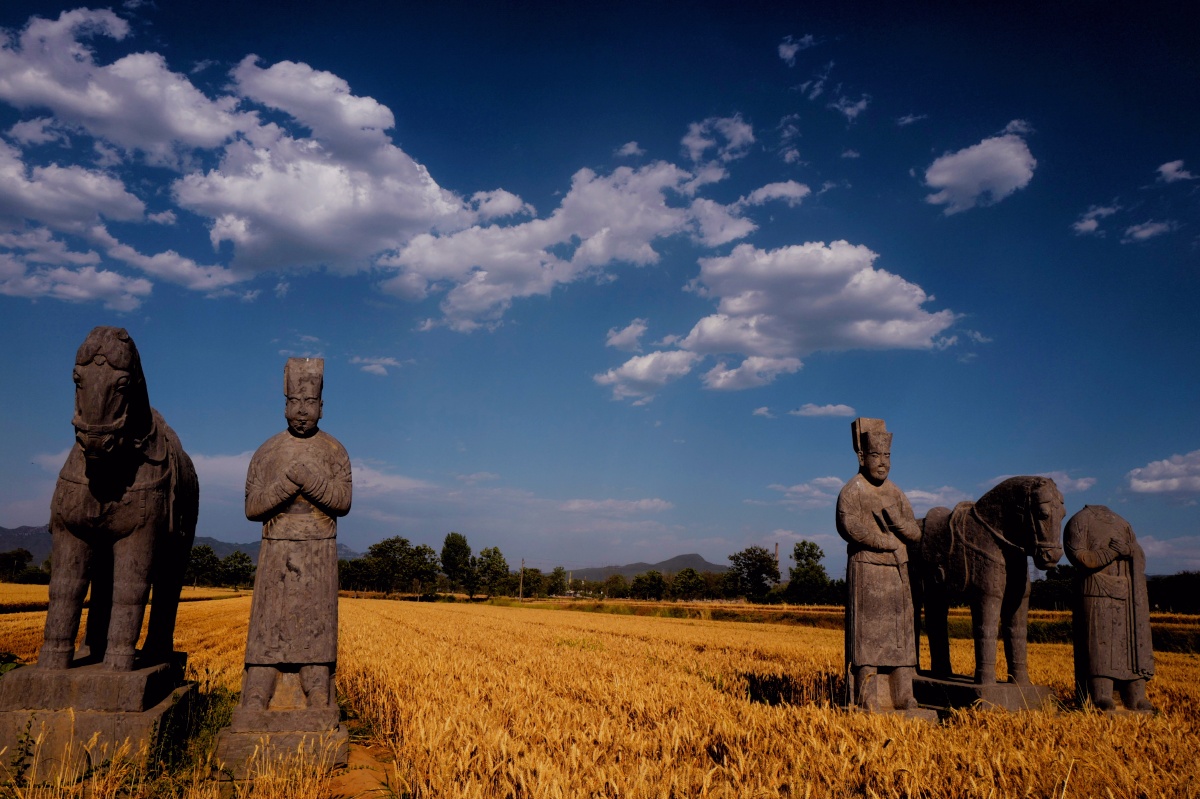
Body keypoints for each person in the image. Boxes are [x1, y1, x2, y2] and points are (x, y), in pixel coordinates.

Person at [239, 358, 352, 711]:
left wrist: (311, 481)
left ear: (322, 407)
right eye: (294, 403)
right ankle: (258, 691)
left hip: (319, 552)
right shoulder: (267, 452)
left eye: (309, 403)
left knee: (315, 628)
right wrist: (288, 483)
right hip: (276, 549)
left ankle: (317, 690)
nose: (301, 411)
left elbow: (343, 501)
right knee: (268, 627)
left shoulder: (334, 451)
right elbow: (252, 507)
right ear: (284, 405)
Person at [835, 418, 922, 711]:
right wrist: (883, 541)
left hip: (898, 570)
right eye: (876, 455)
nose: (883, 463)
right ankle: (866, 695)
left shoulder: (896, 492)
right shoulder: (853, 490)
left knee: (900, 636)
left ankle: (903, 693)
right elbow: (849, 525)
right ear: (862, 457)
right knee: (869, 635)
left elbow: (915, 532)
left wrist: (897, 523)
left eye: (887, 456)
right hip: (867, 569)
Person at [1064, 505, 1154, 711]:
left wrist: (1130, 551)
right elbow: (1081, 557)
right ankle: (1101, 695)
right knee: (1099, 645)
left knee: (1132, 644)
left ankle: (1135, 695)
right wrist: (1112, 551)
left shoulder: (1122, 523)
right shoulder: (1081, 521)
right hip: (1097, 591)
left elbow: (1138, 553)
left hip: (1128, 595)